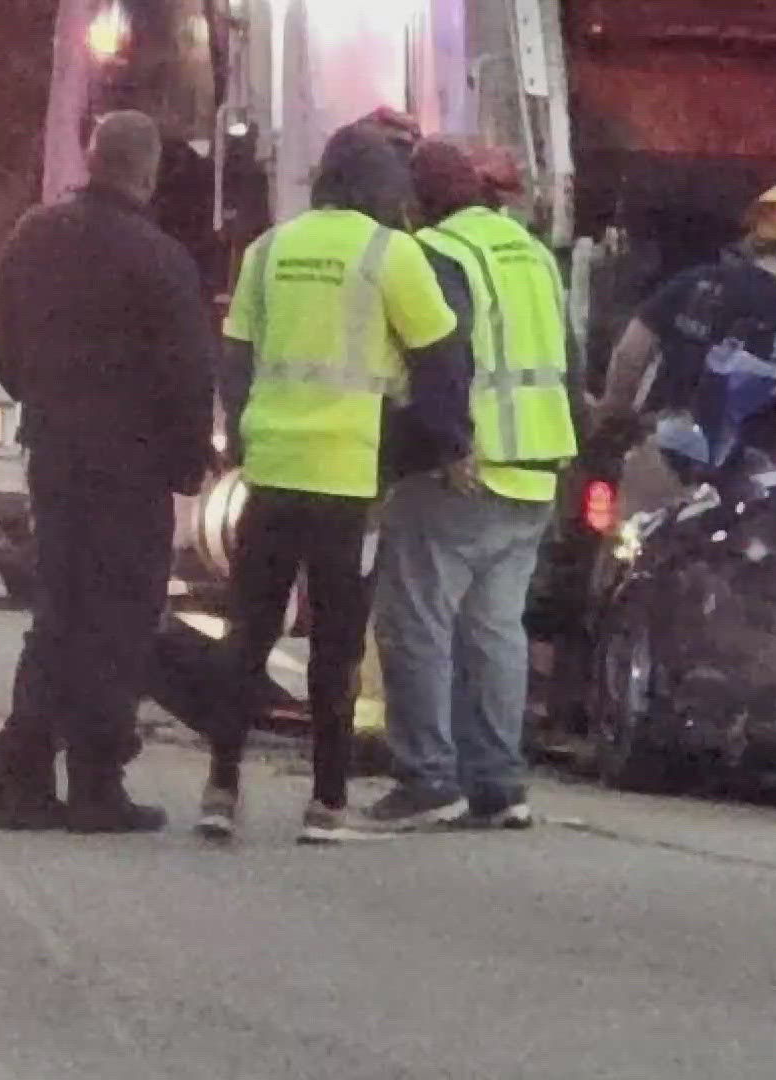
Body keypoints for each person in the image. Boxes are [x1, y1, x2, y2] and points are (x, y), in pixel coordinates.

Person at [200, 121, 467, 844]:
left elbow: (235, 356)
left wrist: (247, 436)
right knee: (336, 643)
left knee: (248, 632)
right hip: (349, 477)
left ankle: (220, 788)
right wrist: (442, 444)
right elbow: (443, 356)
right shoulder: (393, 254)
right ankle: (327, 803)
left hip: (272, 470)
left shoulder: (270, 249)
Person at [0, 111, 216, 832]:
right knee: (116, 620)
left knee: (57, 610)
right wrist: (186, 464)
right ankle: (95, 783)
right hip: (132, 467)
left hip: (56, 454)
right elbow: (187, 374)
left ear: (91, 160)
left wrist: (45, 401)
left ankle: (22, 776)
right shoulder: (160, 260)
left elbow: (4, 345)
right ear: (146, 173)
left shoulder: (33, 236)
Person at [361, 139, 576, 831]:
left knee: (416, 621)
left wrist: (440, 447)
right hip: (535, 467)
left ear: (418, 201)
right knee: (495, 629)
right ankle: (498, 783)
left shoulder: (439, 253)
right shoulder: (531, 251)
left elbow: (440, 360)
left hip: (469, 466)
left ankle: (427, 778)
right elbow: (569, 355)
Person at [593, 180, 776, 498]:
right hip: (750, 481)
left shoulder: (697, 283)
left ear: (756, 236)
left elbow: (630, 354)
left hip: (663, 456)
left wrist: (613, 419)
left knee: (633, 541)